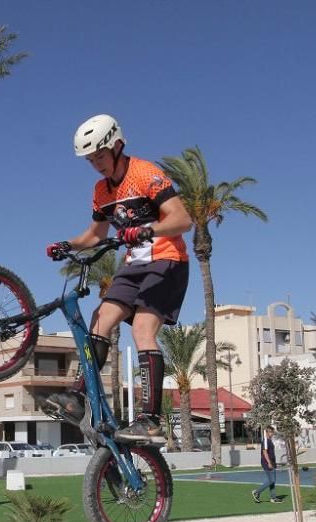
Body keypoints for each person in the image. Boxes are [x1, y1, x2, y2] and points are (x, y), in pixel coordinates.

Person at [44, 114, 193, 442]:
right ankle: (78, 397)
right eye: (90, 159)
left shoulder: (146, 173)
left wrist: (148, 228)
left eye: (99, 155)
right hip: (133, 265)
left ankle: (150, 419)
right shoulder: (100, 190)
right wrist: (68, 244)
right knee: (101, 319)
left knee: (142, 329)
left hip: (167, 259)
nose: (96, 163)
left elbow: (183, 219)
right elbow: (95, 234)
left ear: (117, 145)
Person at [252, 426, 283, 503]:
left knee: (272, 481)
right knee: (271, 480)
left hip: (272, 462)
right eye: (271, 432)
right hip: (267, 463)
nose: (272, 433)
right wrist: (269, 462)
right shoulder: (266, 440)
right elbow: (264, 452)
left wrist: (274, 463)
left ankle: (273, 498)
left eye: (272, 432)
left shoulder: (269, 440)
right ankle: (257, 492)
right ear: (267, 432)